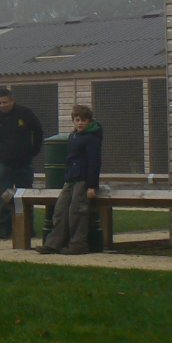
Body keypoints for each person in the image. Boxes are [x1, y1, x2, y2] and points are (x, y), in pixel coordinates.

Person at [39, 105, 103, 255]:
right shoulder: (73, 136)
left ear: (89, 121)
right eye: (77, 120)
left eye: (84, 120)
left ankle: (78, 244)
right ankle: (53, 243)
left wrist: (92, 186)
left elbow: (94, 162)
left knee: (77, 212)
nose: (80, 123)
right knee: (60, 210)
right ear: (73, 121)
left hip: (83, 181)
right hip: (70, 180)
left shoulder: (92, 138)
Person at [0, 87, 46, 240]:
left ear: (12, 100)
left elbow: (38, 131)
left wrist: (34, 151)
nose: (2, 105)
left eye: (5, 102)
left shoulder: (25, 114)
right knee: (4, 198)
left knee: (25, 197)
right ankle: (5, 231)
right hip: (5, 164)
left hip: (24, 164)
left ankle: (28, 229)